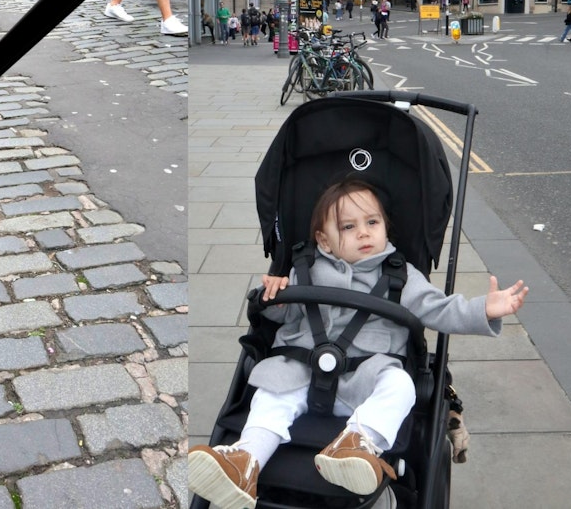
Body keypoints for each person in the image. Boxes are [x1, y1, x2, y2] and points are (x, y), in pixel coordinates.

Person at [188, 179, 528, 509]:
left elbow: (439, 310)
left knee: (400, 385)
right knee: (269, 395)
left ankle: (357, 443)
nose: (364, 232)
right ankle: (245, 461)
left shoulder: (401, 276)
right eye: (348, 227)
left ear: (384, 227)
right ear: (323, 240)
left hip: (364, 380)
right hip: (300, 372)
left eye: (372, 222)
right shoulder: (306, 269)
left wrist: (483, 309)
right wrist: (275, 297)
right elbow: (281, 318)